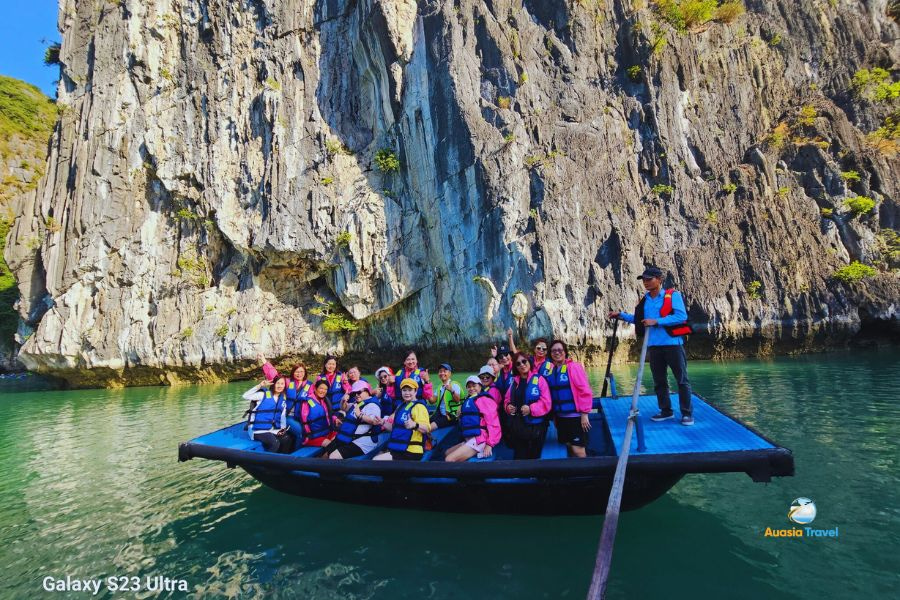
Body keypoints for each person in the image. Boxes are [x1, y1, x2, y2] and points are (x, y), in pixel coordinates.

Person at [608, 265, 694, 425]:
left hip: (672, 344)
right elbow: (640, 319)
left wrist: (656, 321)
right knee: (659, 381)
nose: (646, 283)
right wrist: (621, 316)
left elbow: (681, 316)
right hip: (653, 346)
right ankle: (666, 411)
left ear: (659, 280)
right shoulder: (645, 300)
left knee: (681, 380)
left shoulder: (672, 295)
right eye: (644, 280)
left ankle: (687, 413)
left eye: (649, 279)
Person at [545, 340, 594, 457]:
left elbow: (585, 390)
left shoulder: (573, 367)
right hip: (561, 418)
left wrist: (584, 414)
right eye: (553, 351)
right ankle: (575, 473)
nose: (557, 353)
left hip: (575, 418)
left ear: (565, 352)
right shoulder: (552, 371)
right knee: (568, 446)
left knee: (578, 450)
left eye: (560, 350)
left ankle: (586, 473)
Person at [503, 352, 552, 459]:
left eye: (524, 361)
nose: (522, 365)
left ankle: (534, 475)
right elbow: (507, 399)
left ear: (529, 362)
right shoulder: (514, 382)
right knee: (519, 456)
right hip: (518, 427)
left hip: (536, 427)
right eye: (518, 363)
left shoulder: (539, 380)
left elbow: (547, 402)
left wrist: (531, 409)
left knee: (534, 457)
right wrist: (508, 407)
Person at [444, 376, 502, 461]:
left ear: (480, 386)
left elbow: (494, 423)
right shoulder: (469, 400)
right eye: (469, 386)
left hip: (480, 439)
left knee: (449, 459)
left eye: (474, 386)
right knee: (447, 453)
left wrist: (489, 444)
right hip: (469, 438)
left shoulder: (484, 400)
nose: (471, 388)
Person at [373, 379, 432, 461]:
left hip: (411, 451)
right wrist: (383, 422)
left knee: (376, 460)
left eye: (410, 390)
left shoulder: (419, 407)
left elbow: (427, 428)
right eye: (404, 390)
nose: (407, 393)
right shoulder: (401, 406)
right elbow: (395, 428)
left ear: (415, 391)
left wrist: (415, 425)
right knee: (379, 455)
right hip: (399, 449)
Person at [328, 381, 382, 459]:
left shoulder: (373, 405)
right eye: (354, 393)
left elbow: (374, 421)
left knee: (333, 456)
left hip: (363, 442)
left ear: (367, 391)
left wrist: (360, 415)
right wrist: (343, 400)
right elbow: (344, 408)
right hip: (349, 437)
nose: (356, 395)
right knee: (326, 453)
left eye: (359, 392)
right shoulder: (358, 403)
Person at [242, 376, 294, 453]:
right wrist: (260, 385)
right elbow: (245, 396)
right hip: (258, 430)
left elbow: (282, 417)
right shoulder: (263, 395)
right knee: (275, 443)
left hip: (271, 429)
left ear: (284, 386)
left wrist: (282, 429)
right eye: (278, 383)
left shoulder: (282, 400)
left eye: (282, 384)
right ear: (273, 384)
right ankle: (266, 463)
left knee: (287, 439)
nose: (279, 386)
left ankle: (281, 460)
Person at [284, 379, 335, 448]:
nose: (323, 391)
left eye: (325, 389)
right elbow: (304, 421)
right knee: (332, 445)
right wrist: (308, 436)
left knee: (340, 440)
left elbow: (328, 415)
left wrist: (335, 419)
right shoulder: (307, 401)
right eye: (321, 388)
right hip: (313, 436)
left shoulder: (325, 400)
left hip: (326, 432)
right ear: (315, 388)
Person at [428, 363, 463, 430]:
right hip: (440, 414)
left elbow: (457, 400)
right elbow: (432, 401)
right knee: (425, 423)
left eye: (444, 371)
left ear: (450, 373)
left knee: (429, 427)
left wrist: (451, 390)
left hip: (450, 416)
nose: (442, 373)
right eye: (440, 371)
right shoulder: (439, 387)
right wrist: (427, 385)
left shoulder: (454, 385)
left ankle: (430, 439)